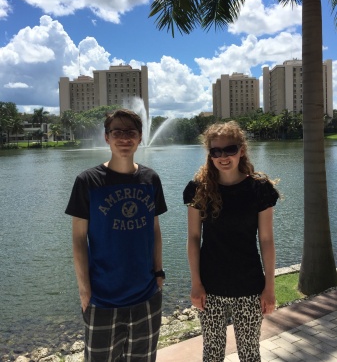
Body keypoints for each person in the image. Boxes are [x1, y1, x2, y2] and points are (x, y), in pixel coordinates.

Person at [65, 108, 167, 362]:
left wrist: (158, 273)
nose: (124, 138)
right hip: (102, 298)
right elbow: (78, 239)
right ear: (106, 137)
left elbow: (154, 229)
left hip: (146, 294)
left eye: (130, 132)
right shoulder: (88, 181)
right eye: (117, 132)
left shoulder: (150, 179)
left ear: (140, 137)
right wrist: (84, 289)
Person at [183, 121, 279, 362]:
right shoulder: (198, 190)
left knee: (249, 354)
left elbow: (266, 240)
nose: (223, 156)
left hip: (249, 286)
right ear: (210, 154)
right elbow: (194, 238)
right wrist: (196, 283)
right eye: (216, 151)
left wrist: (269, 287)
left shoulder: (259, 189)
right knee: (212, 354)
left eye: (230, 149)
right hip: (210, 286)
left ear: (242, 150)